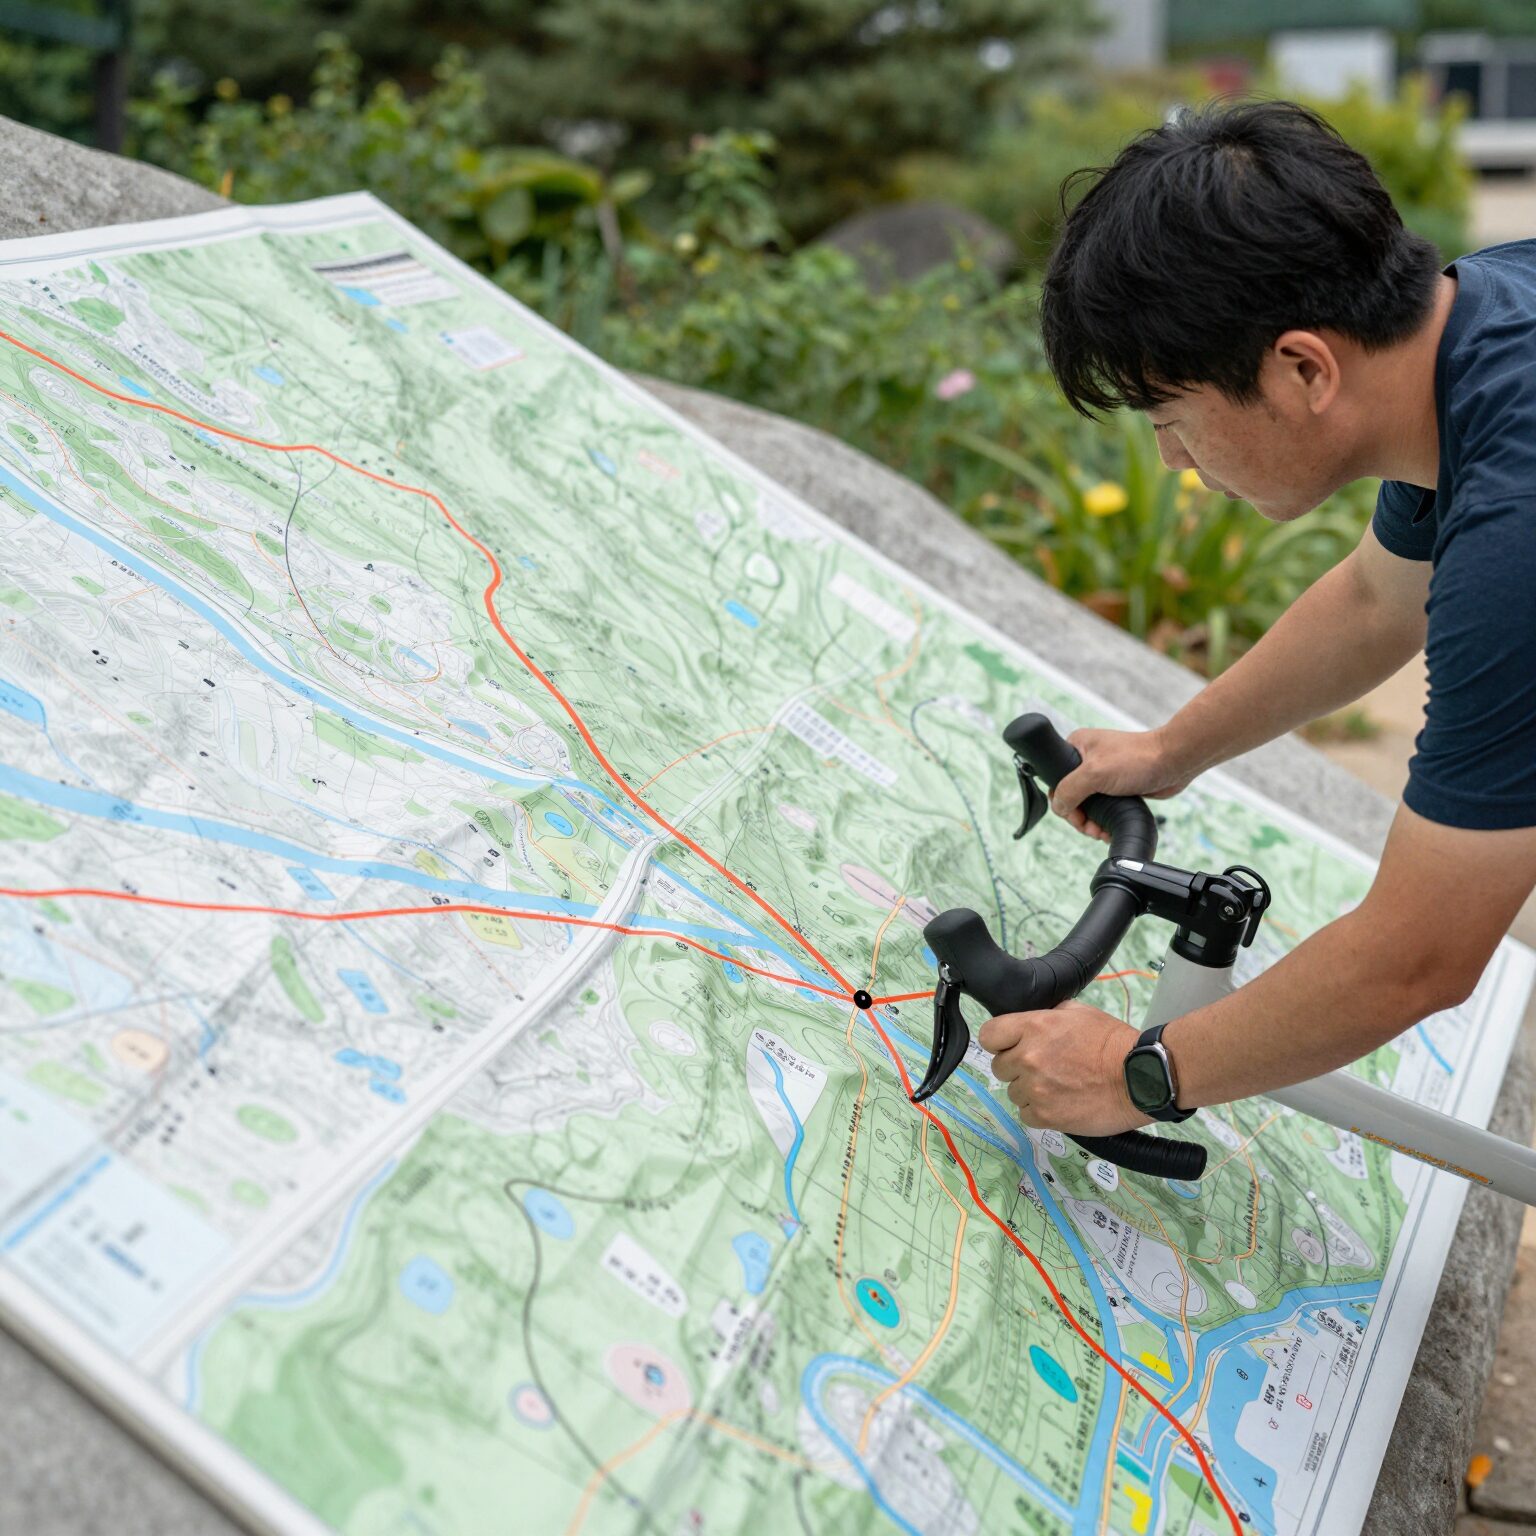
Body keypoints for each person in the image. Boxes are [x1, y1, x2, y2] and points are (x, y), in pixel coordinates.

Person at [981, 98, 1536, 1136]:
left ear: (1304, 369)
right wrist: (1171, 749)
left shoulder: (1518, 529)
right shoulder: (1483, 324)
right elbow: (1377, 598)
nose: (1171, 461)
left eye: (1172, 418)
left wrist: (1132, 1073)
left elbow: (1418, 957)